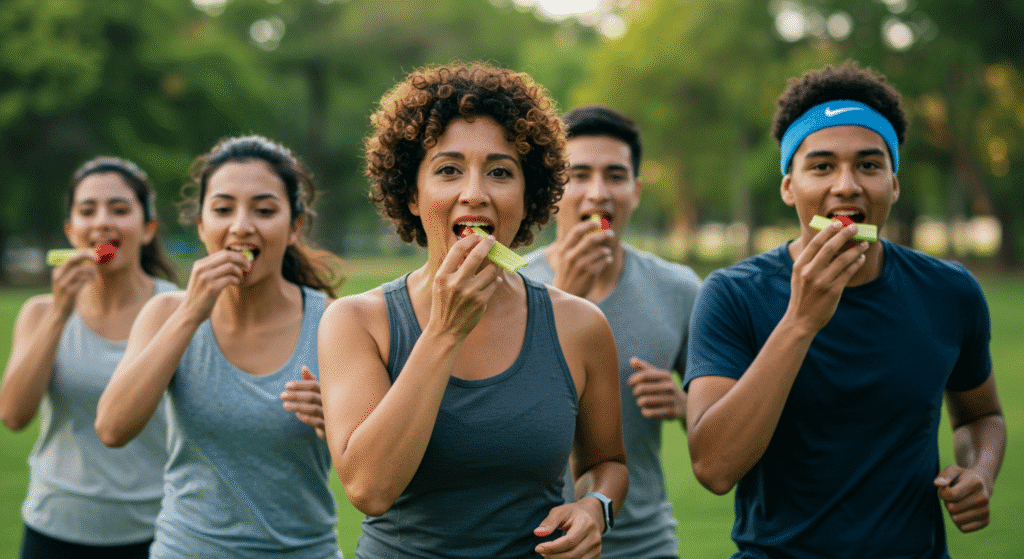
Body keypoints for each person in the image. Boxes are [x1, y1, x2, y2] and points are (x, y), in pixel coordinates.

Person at [685, 60, 1006, 558]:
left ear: (893, 184)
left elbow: (980, 416)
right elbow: (714, 467)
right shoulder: (732, 294)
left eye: (869, 165)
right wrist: (800, 321)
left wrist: (979, 472)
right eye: (821, 166)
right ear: (789, 186)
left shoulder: (951, 291)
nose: (847, 185)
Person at [318, 63, 628, 559]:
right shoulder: (357, 322)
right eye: (448, 170)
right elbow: (369, 490)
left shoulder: (580, 325)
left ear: (528, 198)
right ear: (412, 195)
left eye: (501, 172)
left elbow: (608, 462)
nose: (476, 193)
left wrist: (595, 506)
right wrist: (444, 331)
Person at [94, 135, 344, 558]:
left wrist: (337, 419)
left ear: (295, 225)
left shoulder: (332, 322)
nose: (241, 226)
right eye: (223, 209)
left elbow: (372, 471)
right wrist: (190, 314)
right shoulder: (165, 313)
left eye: (264, 210)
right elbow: (113, 428)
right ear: (201, 224)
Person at [521, 105, 701, 559]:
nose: (597, 193)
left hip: (643, 544)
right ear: (552, 190)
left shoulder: (678, 289)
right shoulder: (509, 286)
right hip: (528, 542)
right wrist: (567, 297)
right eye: (578, 175)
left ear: (635, 191)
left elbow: (727, 429)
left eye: (615, 176)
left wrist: (687, 405)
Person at [0, 157, 178, 558]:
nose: (102, 222)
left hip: (159, 530)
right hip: (55, 527)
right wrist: (60, 313)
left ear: (147, 229)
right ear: (70, 231)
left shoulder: (180, 311)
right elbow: (13, 415)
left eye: (119, 209)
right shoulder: (40, 312)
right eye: (87, 211)